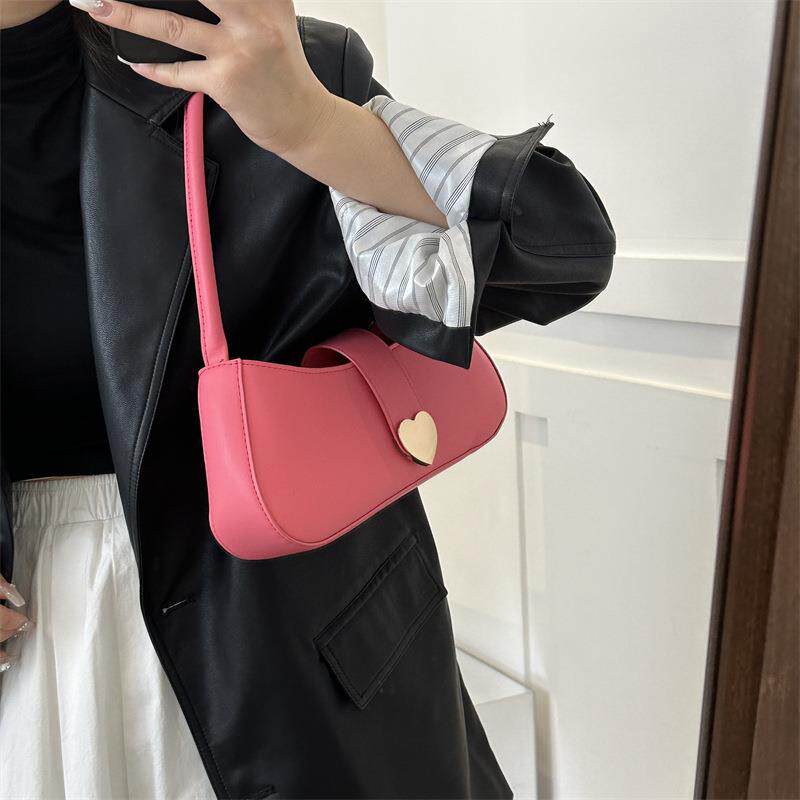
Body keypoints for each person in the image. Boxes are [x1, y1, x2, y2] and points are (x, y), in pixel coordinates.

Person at [0, 1, 616, 797]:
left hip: (292, 645)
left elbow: (561, 250)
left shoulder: (235, 59)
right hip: (26, 665)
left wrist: (313, 126)